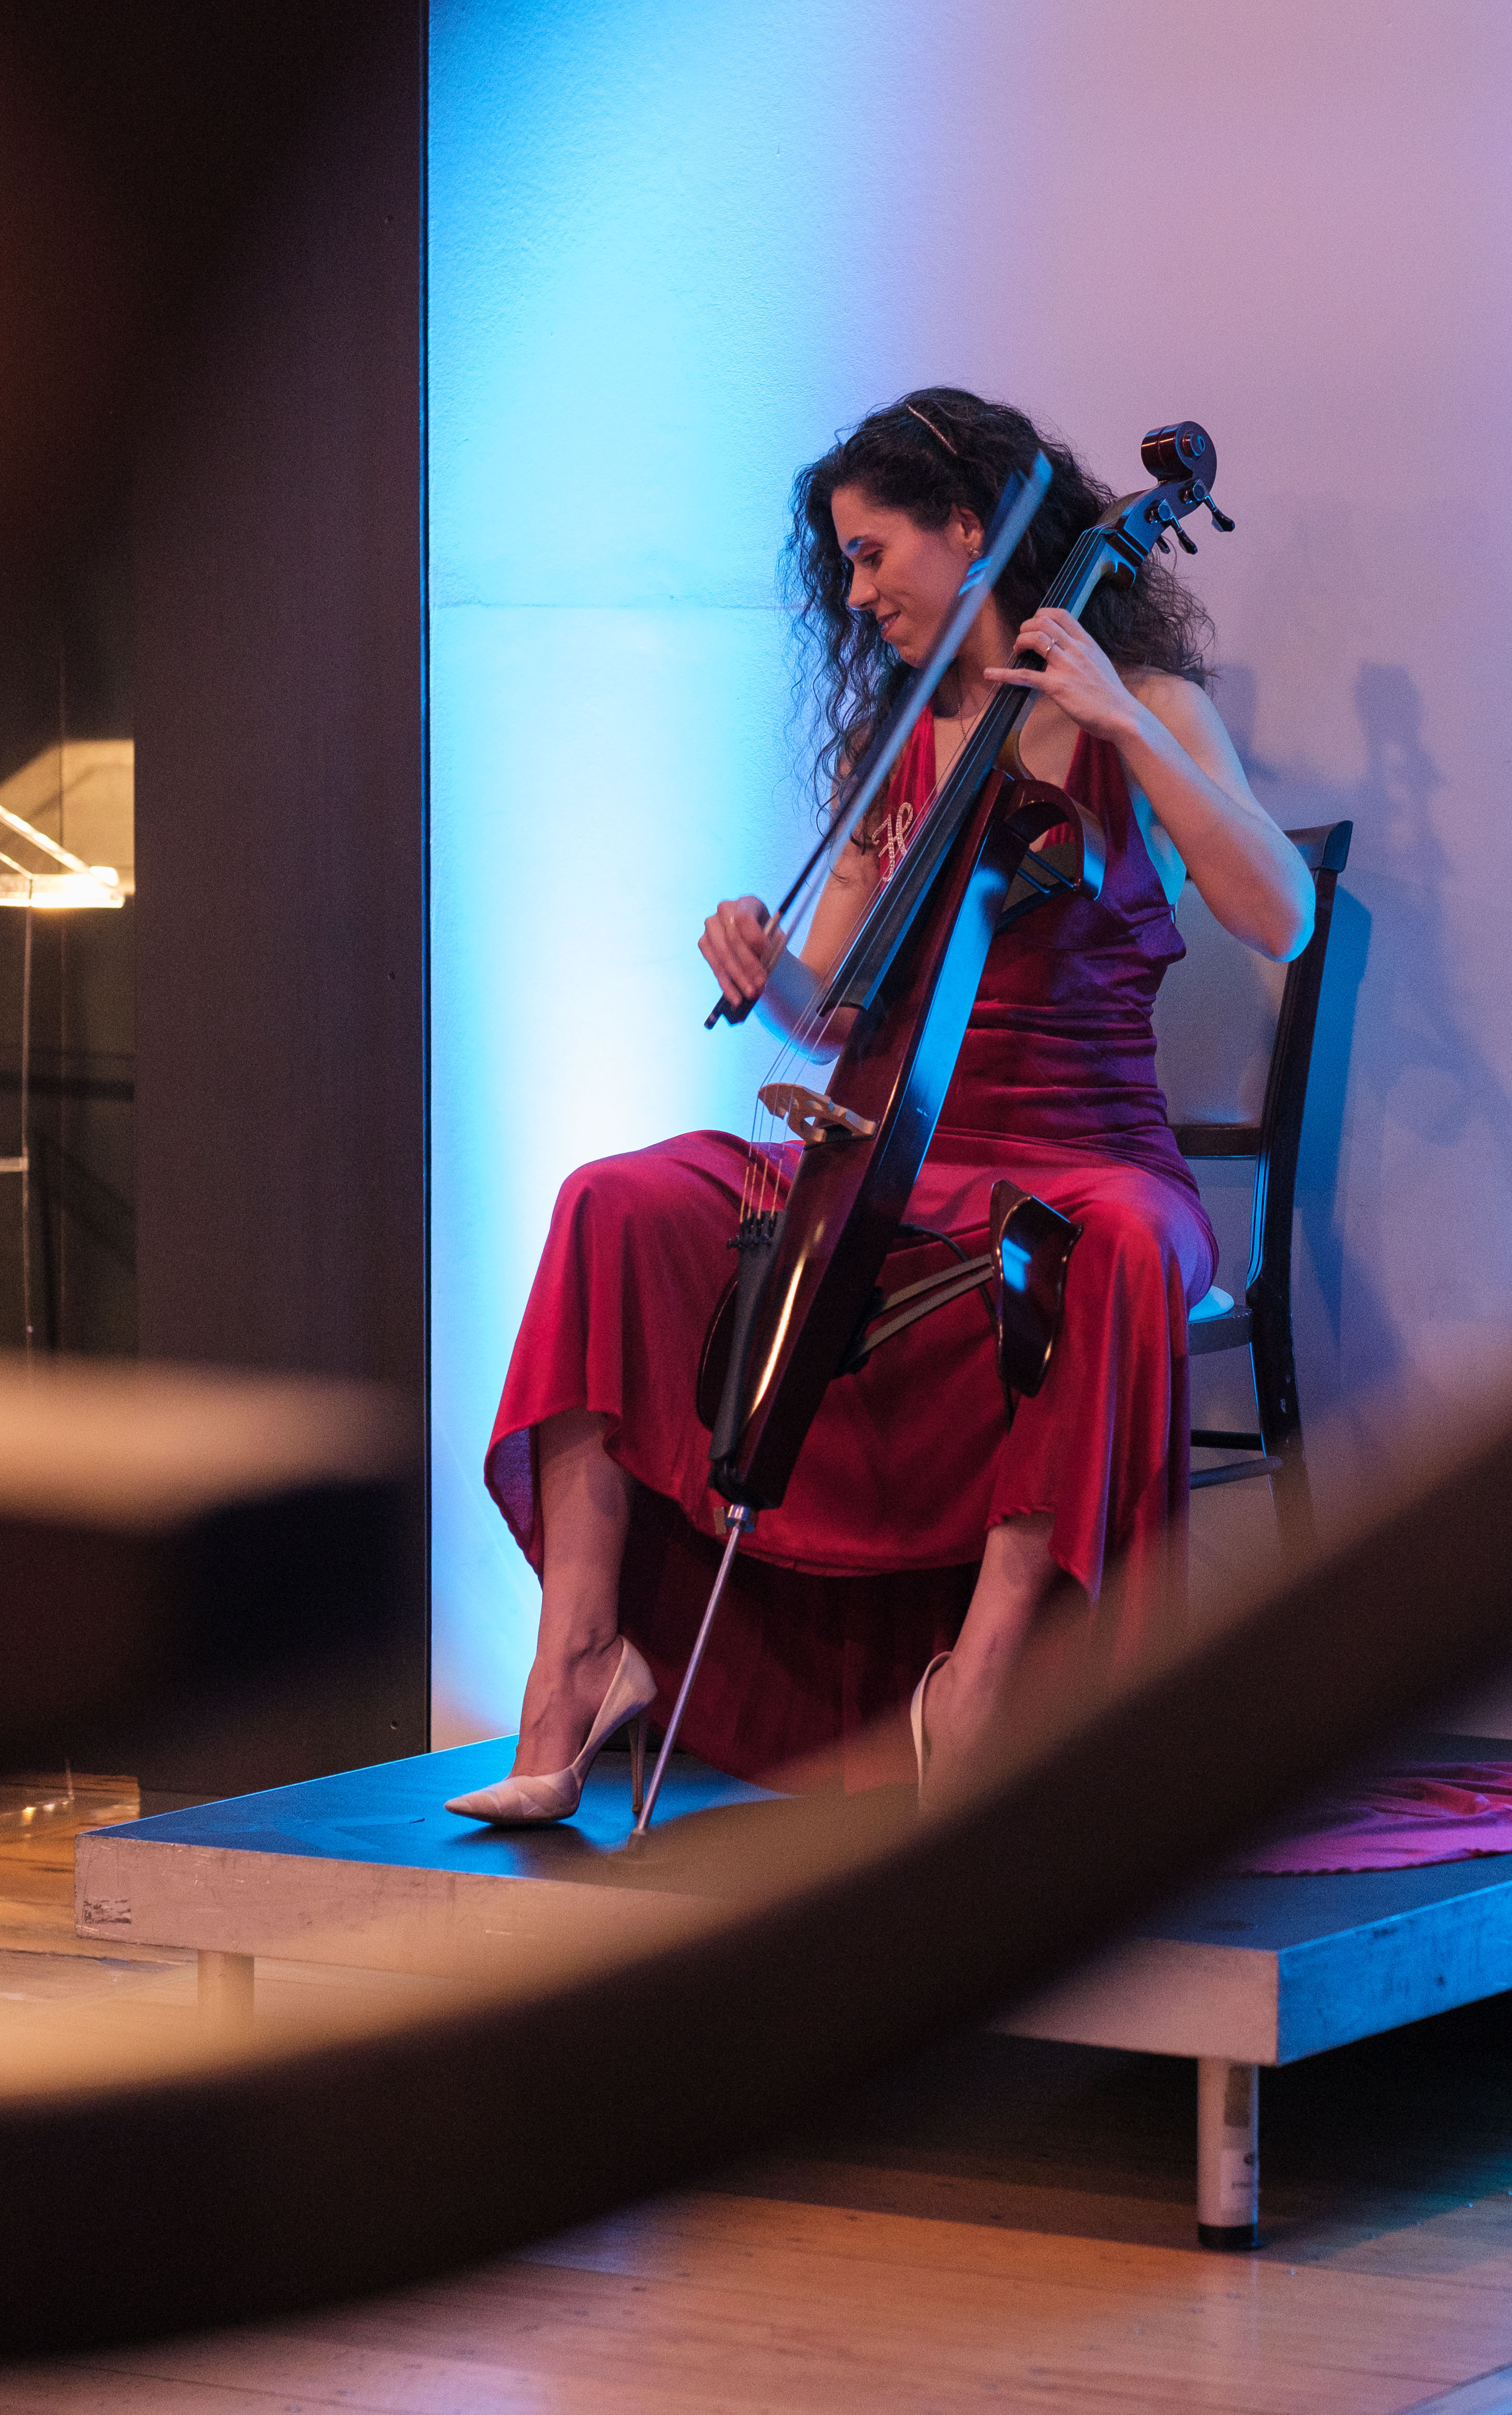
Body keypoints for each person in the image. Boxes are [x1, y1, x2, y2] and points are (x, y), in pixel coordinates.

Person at [455, 387, 1312, 1821]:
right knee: (616, 1199)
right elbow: (837, 1002)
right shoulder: (899, 751)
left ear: (971, 531)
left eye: (873, 555)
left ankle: (977, 1689)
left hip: (1085, 1154)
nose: (857, 598)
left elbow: (1277, 912)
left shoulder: (1144, 707)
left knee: (1102, 1247)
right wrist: (766, 964)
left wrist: (1120, 717)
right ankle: (585, 1653)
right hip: (896, 1162)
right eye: (844, 566)